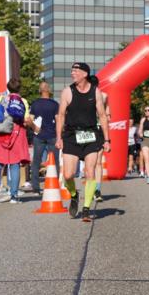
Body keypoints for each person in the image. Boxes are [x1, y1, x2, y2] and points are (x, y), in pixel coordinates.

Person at [56, 62, 110, 222]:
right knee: (68, 174)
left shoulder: (96, 92)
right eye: (72, 70)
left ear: (85, 74)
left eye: (76, 71)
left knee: (89, 172)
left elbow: (102, 116)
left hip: (91, 135)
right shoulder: (67, 91)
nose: (73, 73)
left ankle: (86, 208)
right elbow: (61, 115)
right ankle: (74, 195)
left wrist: (107, 139)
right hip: (72, 136)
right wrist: (59, 137)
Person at [0, 78, 32, 204]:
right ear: (19, 89)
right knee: (14, 164)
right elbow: (26, 120)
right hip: (16, 134)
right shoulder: (23, 101)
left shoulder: (0, 99)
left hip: (0, 133)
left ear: (7, 88)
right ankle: (14, 196)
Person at [29, 81, 60, 195]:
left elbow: (29, 119)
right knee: (55, 160)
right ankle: (55, 184)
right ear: (49, 90)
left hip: (39, 136)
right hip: (52, 135)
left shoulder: (35, 104)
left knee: (36, 161)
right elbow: (58, 120)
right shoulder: (54, 104)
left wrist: (34, 128)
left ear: (40, 90)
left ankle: (36, 188)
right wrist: (60, 135)